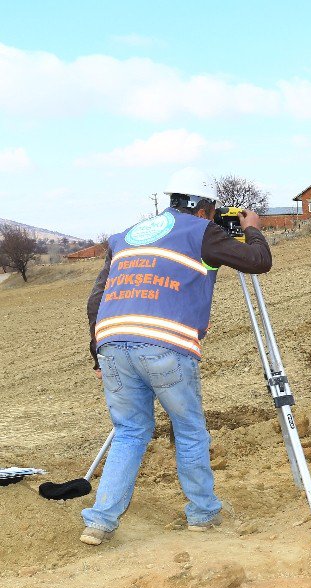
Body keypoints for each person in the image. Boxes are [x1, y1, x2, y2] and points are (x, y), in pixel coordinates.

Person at [80, 173, 272, 546]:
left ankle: (100, 521)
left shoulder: (126, 236)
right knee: (188, 429)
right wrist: (251, 228)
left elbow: (96, 299)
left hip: (112, 341)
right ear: (204, 209)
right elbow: (257, 261)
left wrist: (98, 350)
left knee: (130, 432)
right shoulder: (200, 230)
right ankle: (202, 513)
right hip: (164, 345)